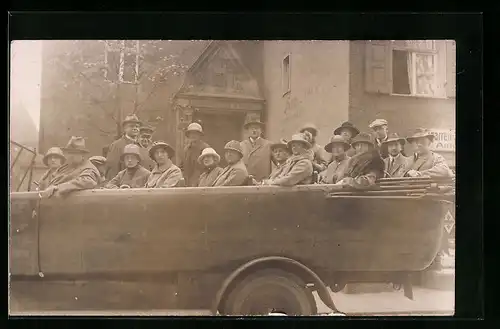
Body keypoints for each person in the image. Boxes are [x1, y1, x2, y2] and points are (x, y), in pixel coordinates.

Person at [105, 114, 142, 181]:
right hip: (123, 185)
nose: (135, 128)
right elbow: (112, 168)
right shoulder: (117, 145)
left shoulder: (141, 146)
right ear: (125, 129)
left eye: (137, 126)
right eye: (131, 126)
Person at [179, 122, 210, 187]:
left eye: (196, 133)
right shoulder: (186, 149)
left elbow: (209, 168)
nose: (193, 135)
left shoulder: (206, 149)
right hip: (187, 182)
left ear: (200, 135)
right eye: (191, 133)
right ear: (188, 135)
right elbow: (182, 167)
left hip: (202, 183)